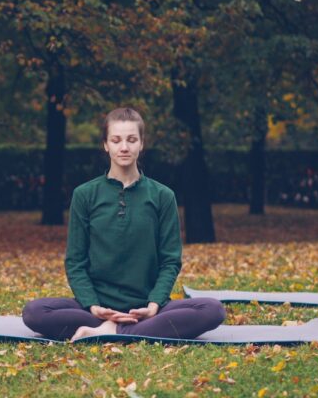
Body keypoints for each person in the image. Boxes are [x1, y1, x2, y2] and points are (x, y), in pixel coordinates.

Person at [23, 107, 226, 340]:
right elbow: (75, 261)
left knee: (213, 310)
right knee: (34, 312)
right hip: (97, 310)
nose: (124, 147)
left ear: (142, 144)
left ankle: (113, 330)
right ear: (105, 145)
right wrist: (92, 305)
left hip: (147, 309)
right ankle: (120, 328)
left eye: (131, 140)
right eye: (116, 140)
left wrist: (154, 304)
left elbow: (170, 260)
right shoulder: (85, 194)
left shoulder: (163, 196)